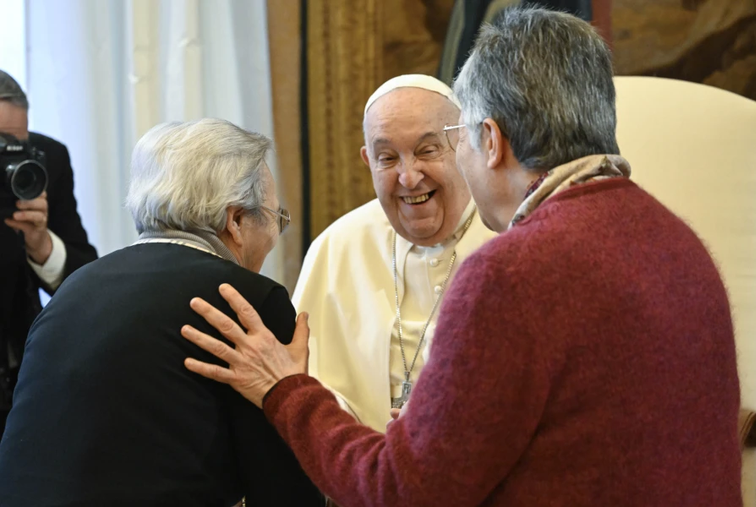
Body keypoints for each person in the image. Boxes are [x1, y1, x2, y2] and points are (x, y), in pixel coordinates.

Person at [180, 7, 743, 507]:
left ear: (491, 141)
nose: (412, 174)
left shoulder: (512, 273)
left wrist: (286, 389)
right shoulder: (679, 243)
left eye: (452, 142)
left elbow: (401, 491)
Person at [0, 119, 323, 507]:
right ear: (235, 221)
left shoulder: (77, 286)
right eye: (276, 219)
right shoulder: (248, 300)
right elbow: (285, 489)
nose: (275, 235)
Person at [294, 74, 495, 432]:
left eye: (427, 150)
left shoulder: (510, 235)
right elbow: (305, 386)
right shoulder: (337, 246)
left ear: (463, 141)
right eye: (387, 158)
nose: (408, 177)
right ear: (367, 161)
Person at [0, 70, 97, 434]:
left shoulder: (44, 162)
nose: (8, 158)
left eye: (17, 143)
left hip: (25, 377)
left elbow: (87, 279)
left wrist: (41, 245)